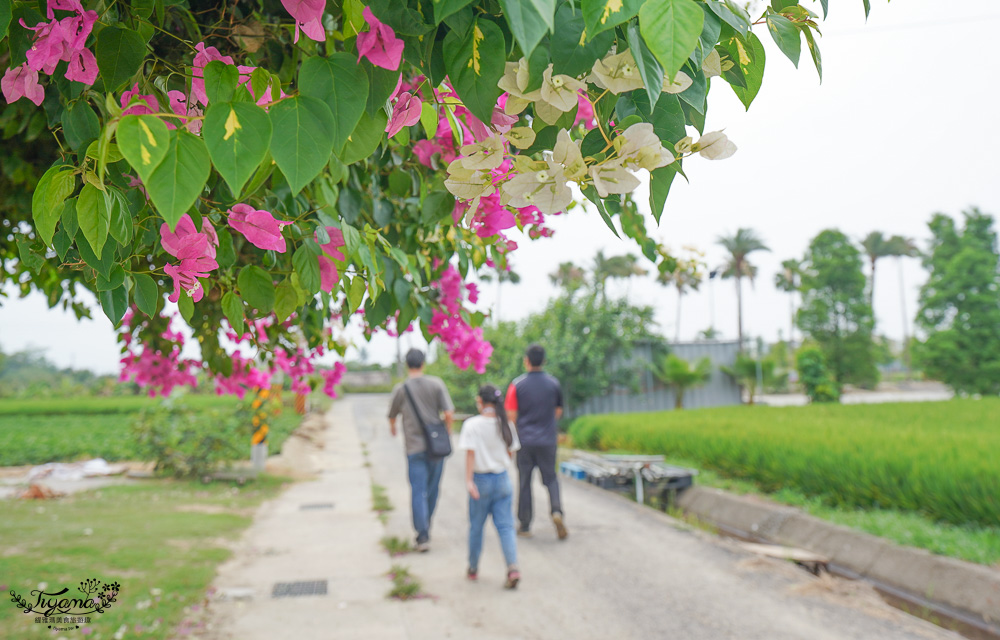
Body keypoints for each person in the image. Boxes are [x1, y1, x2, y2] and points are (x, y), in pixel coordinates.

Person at [387, 348, 455, 552]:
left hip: (414, 448)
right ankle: (427, 524)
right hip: (436, 447)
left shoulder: (401, 389)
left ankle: (422, 535)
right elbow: (449, 413)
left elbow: (392, 415)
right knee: (433, 489)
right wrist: (447, 433)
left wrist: (393, 428)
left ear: (407, 365)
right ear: (423, 364)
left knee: (418, 490)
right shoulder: (436, 384)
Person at [460, 384, 521, 589]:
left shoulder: (472, 425)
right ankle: (512, 568)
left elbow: (470, 454)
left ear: (480, 401)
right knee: (506, 527)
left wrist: (469, 481)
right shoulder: (506, 424)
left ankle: (473, 567)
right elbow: (510, 453)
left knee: (477, 527)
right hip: (502, 479)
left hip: (481, 480)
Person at [504, 344, 567, 540]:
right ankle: (556, 511)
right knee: (551, 479)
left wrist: (510, 441)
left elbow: (511, 416)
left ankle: (524, 525)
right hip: (548, 440)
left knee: (524, 482)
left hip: (525, 441)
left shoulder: (517, 385)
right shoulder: (553, 383)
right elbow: (558, 411)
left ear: (526, 360)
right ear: (544, 361)